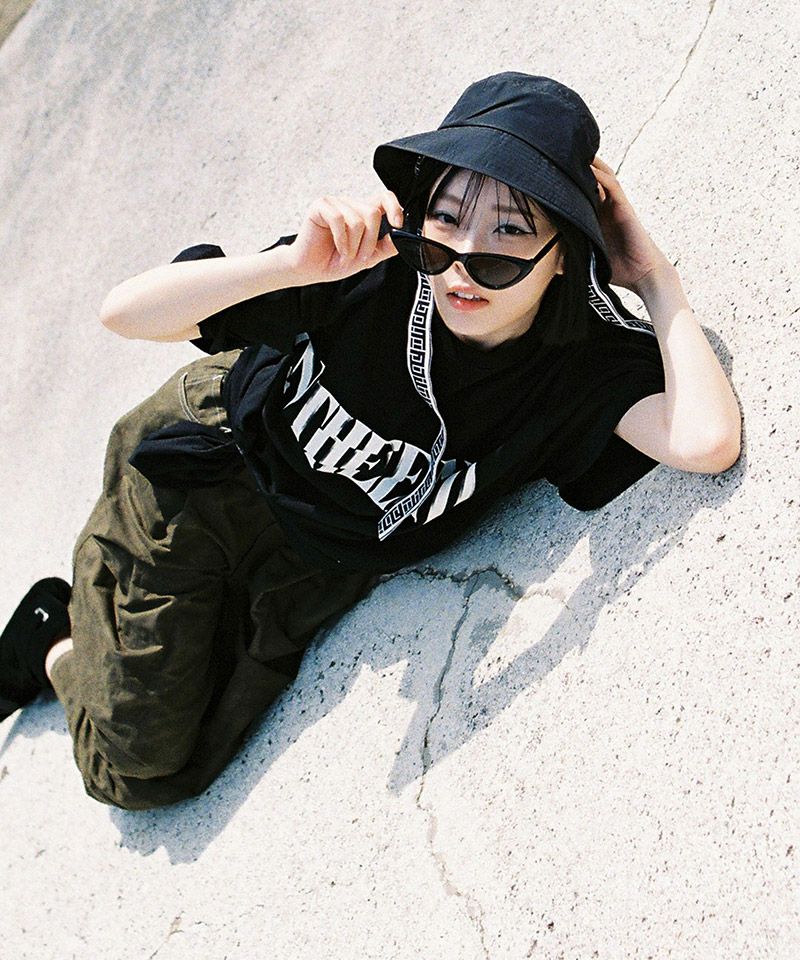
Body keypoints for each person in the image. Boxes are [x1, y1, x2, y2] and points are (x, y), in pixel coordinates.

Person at [0, 73, 741, 809]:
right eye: (445, 219)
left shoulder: (574, 362)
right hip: (208, 475)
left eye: (509, 233)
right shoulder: (378, 270)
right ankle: (55, 639)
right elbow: (124, 313)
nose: (463, 265)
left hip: (316, 562)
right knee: (136, 769)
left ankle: (94, 632)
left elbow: (707, 442)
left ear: (566, 252)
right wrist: (288, 267)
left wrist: (651, 275)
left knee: (197, 737)